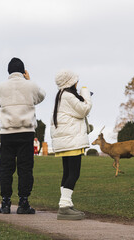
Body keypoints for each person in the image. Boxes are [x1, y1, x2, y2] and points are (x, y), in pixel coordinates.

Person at [0, 57, 46, 214]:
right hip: (26, 132)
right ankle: (23, 202)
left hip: (7, 133)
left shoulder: (0, 87)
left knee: (6, 168)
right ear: (23, 71)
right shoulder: (30, 86)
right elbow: (41, 96)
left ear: (8, 71)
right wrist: (29, 80)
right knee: (25, 168)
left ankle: (5, 203)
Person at [51, 70, 92, 220]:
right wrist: (85, 93)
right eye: (76, 80)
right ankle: (64, 206)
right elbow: (84, 110)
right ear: (70, 82)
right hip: (71, 141)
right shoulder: (68, 96)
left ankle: (67, 203)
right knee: (74, 173)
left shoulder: (61, 95)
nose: (78, 83)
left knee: (67, 173)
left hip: (65, 141)